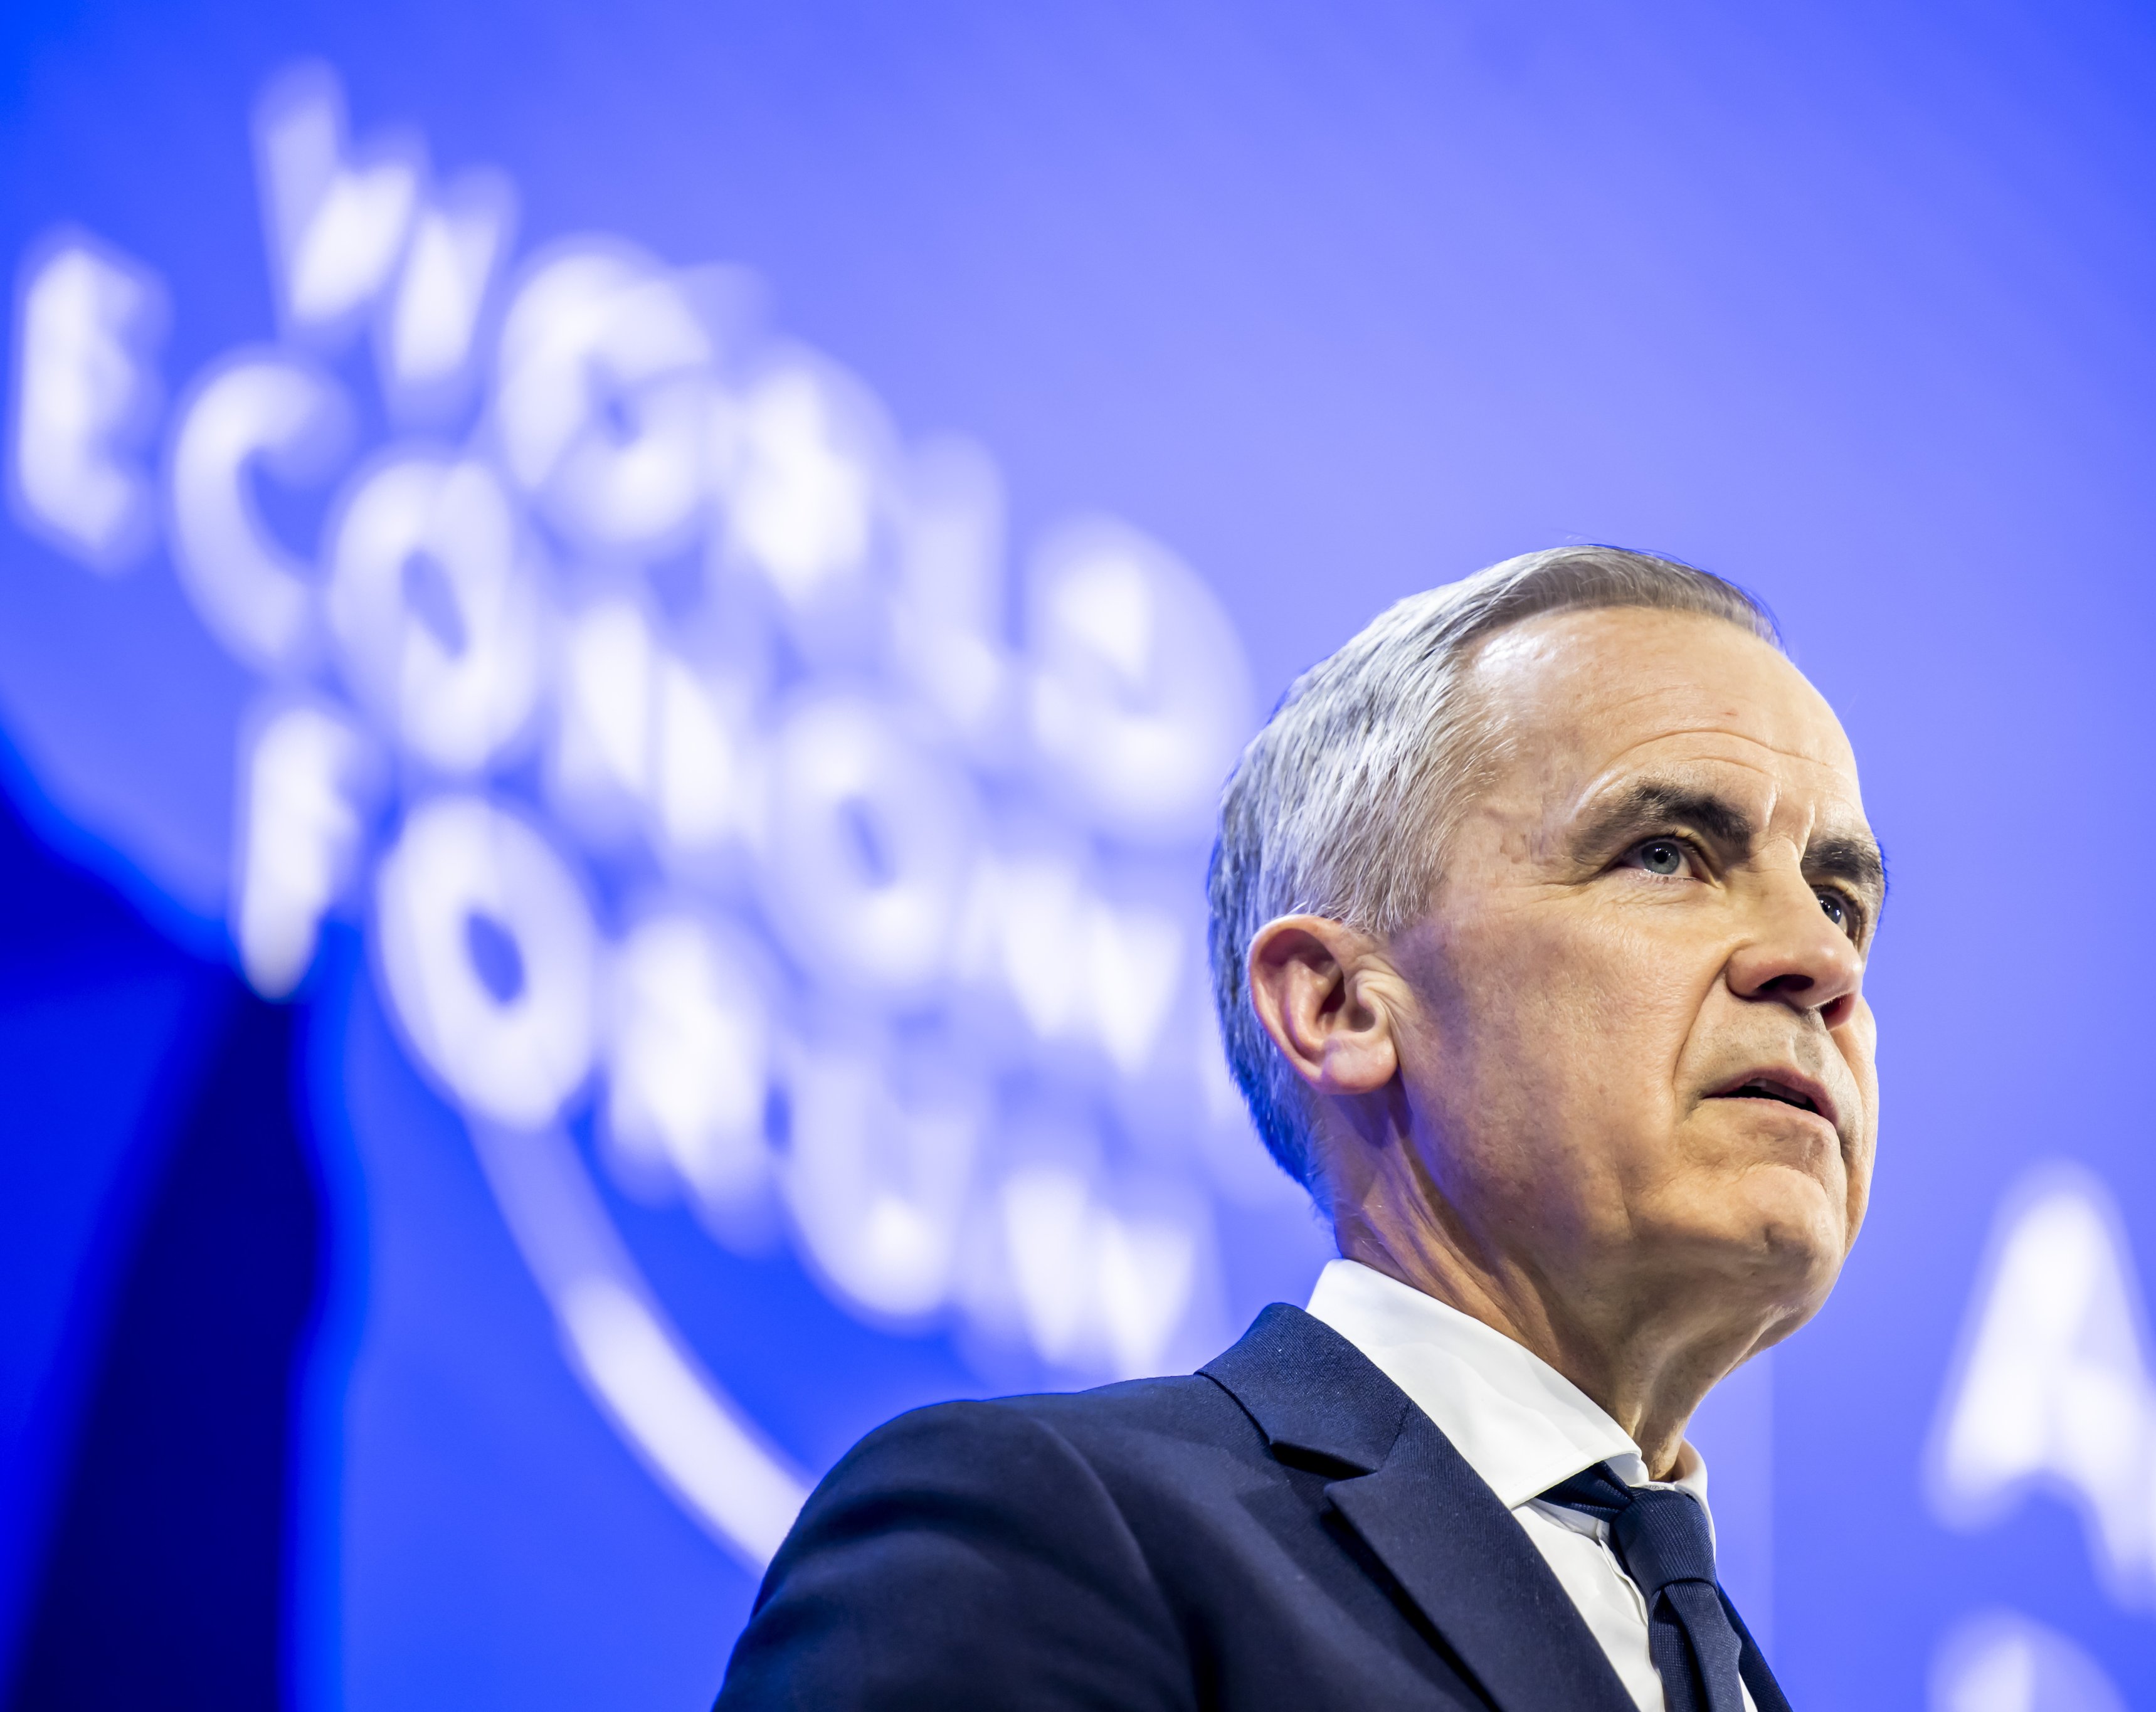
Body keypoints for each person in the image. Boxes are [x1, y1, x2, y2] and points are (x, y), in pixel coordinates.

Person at [714, 546, 1883, 1711]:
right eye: (1665, 855)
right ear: (1337, 1005)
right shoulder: (1038, 1531)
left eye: (1840, 901)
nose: (1823, 960)